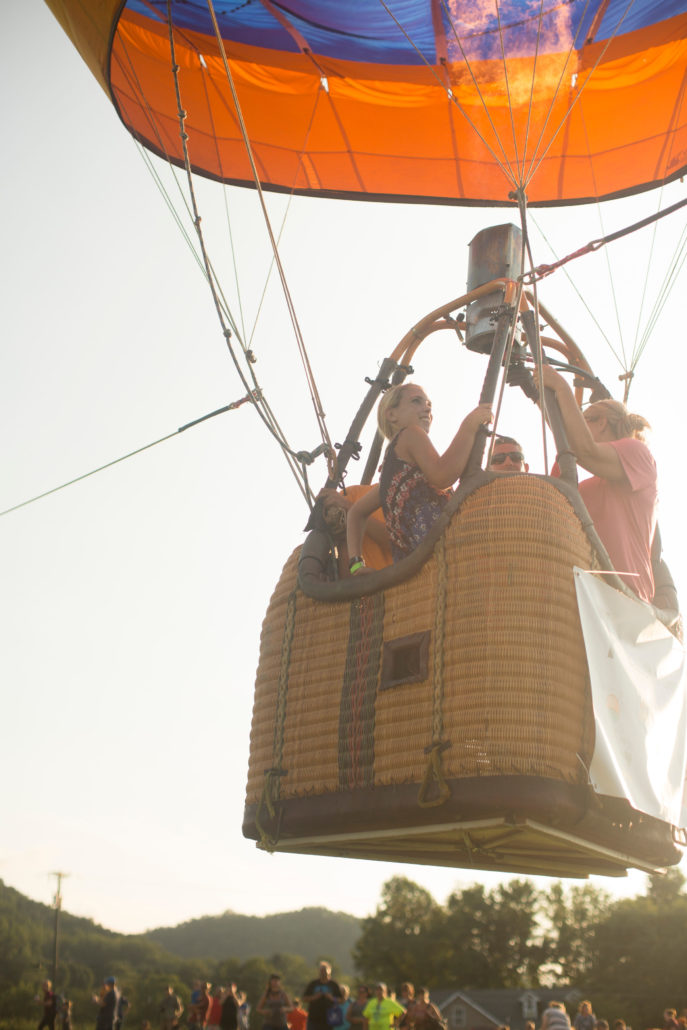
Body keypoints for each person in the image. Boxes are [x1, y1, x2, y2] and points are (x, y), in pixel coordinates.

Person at [537, 365, 657, 602]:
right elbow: (553, 503)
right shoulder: (586, 486)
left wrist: (561, 387)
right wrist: (540, 398)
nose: (576, 425)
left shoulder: (637, 453)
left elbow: (583, 449)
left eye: (583, 420)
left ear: (601, 422)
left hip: (626, 594)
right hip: (584, 597)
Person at [346, 384, 493, 567]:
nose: (427, 408)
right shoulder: (410, 434)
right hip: (441, 552)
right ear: (392, 415)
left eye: (428, 404)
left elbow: (355, 513)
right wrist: (469, 426)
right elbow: (442, 476)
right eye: (416, 401)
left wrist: (356, 563)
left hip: (415, 567)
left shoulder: (391, 480)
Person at [302, 962, 343, 1030]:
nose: (323, 973)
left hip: (329, 1018)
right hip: (314, 1018)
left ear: (329, 972)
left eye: (325, 971)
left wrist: (331, 998)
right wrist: (314, 997)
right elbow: (304, 998)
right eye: (322, 971)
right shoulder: (313, 984)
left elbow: (342, 1000)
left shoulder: (334, 984)